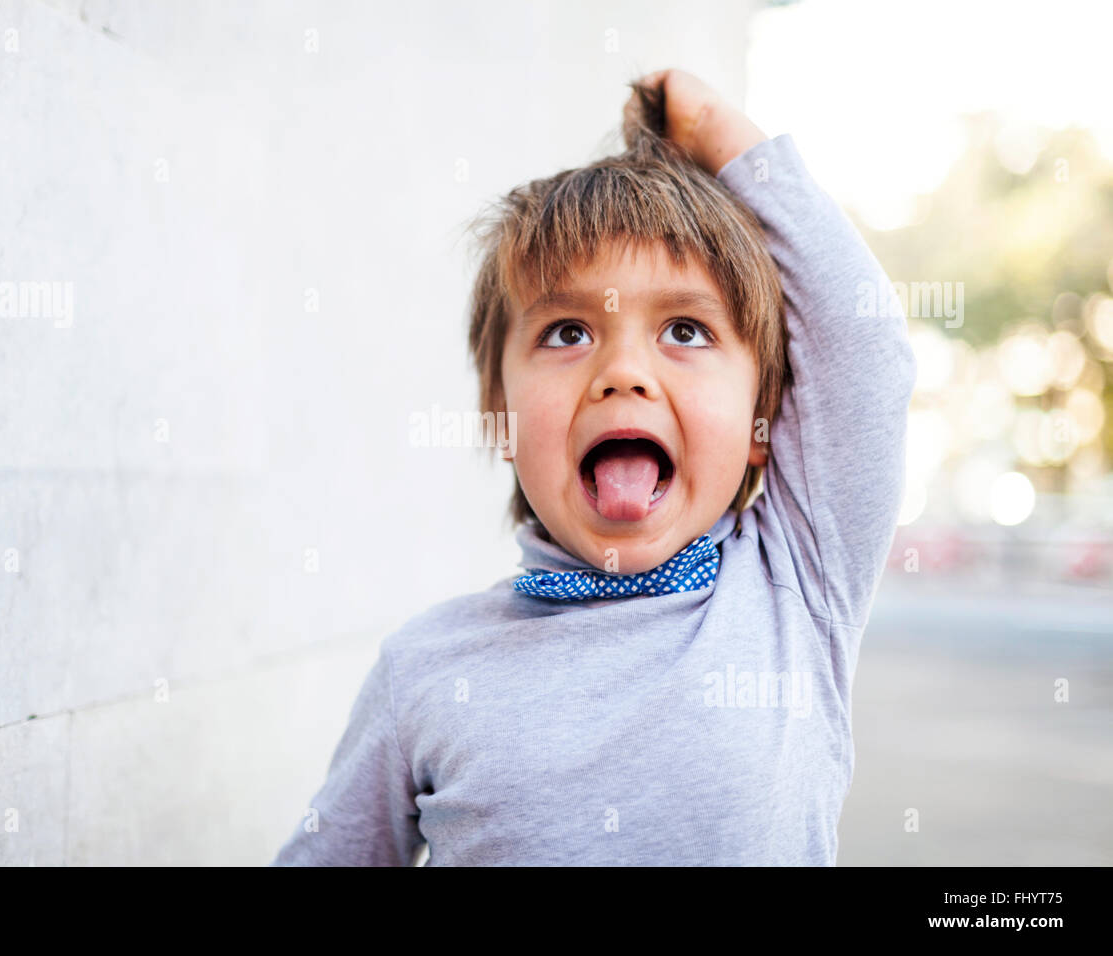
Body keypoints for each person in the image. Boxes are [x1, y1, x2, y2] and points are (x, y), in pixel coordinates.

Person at [272, 69, 916, 865]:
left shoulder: (795, 587)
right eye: (567, 333)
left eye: (684, 331)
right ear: (499, 416)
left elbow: (866, 351)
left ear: (764, 419)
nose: (623, 373)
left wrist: (718, 132)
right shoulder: (426, 670)